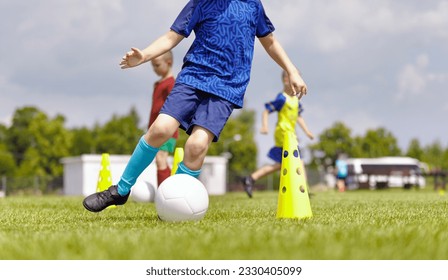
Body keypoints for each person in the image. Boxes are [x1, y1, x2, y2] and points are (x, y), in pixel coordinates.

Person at [83, 0, 308, 213]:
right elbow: (173, 36)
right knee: (160, 129)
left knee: (196, 146)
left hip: (227, 87)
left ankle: (174, 204)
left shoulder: (252, 4)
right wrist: (143, 56)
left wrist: (292, 70)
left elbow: (270, 42)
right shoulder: (201, 2)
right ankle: (120, 190)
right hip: (193, 77)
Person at [241, 71, 314, 198]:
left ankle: (250, 178)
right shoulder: (282, 98)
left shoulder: (295, 99)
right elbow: (265, 112)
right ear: (287, 80)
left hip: (292, 135)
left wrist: (307, 131)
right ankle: (304, 189)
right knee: (298, 160)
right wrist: (264, 126)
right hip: (283, 134)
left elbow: (299, 116)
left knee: (281, 164)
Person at [147, 51, 178, 186]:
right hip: (155, 129)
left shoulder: (171, 84)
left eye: (157, 65)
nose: (155, 69)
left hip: (167, 131)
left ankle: (163, 190)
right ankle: (166, 188)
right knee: (160, 160)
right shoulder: (157, 84)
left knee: (161, 159)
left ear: (168, 63)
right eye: (153, 66)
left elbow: (174, 106)